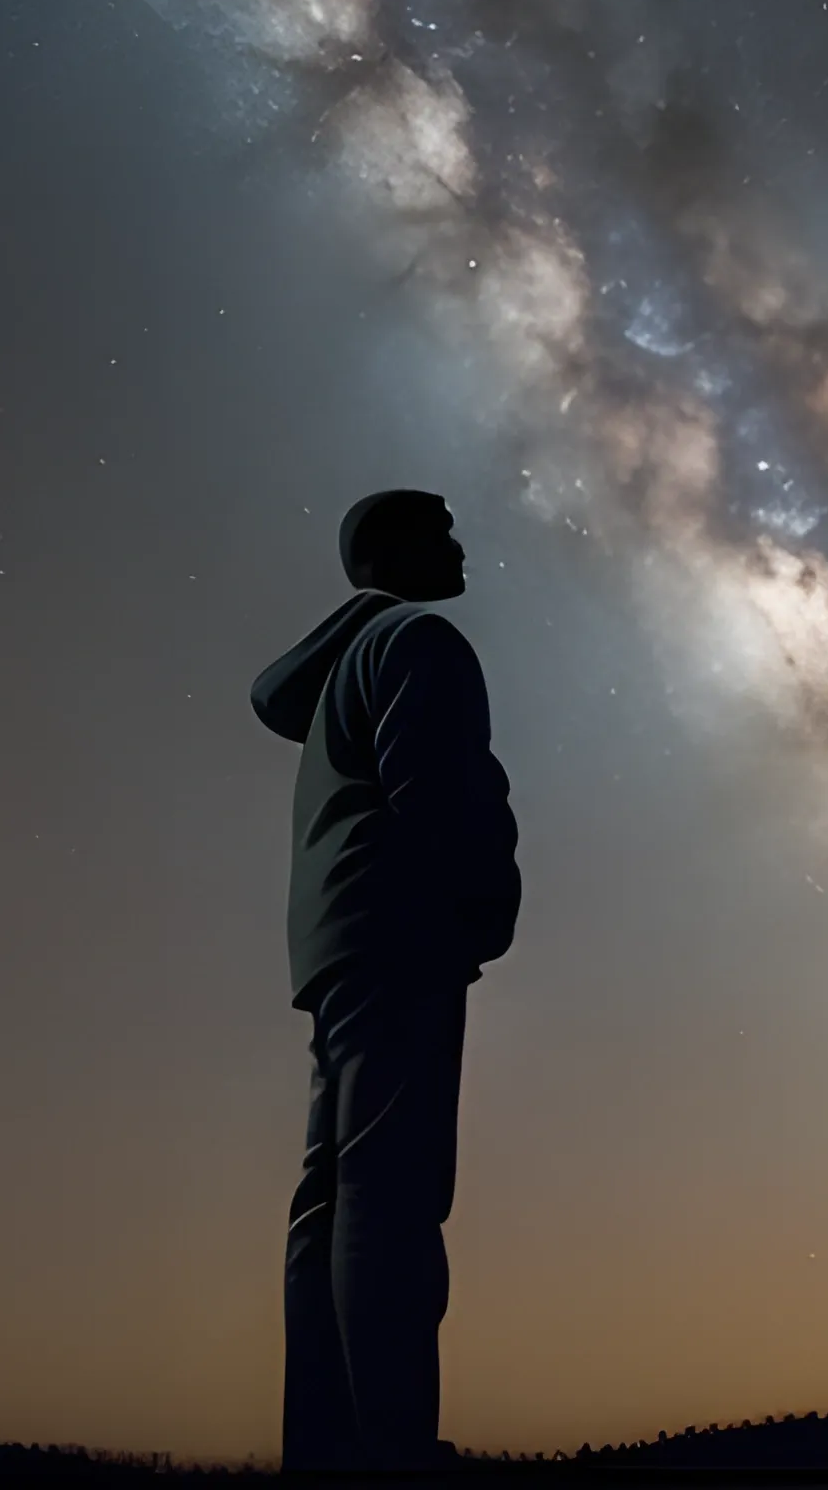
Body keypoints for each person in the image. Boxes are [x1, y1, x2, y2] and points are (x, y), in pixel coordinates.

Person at [251, 490, 522, 1474]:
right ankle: (388, 1445)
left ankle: (325, 1441)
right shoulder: (418, 642)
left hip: (337, 945)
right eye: (442, 531)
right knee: (390, 1194)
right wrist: (481, 904)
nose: (459, 548)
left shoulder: (337, 677)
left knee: (333, 1194)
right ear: (393, 549)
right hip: (399, 935)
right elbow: (436, 796)